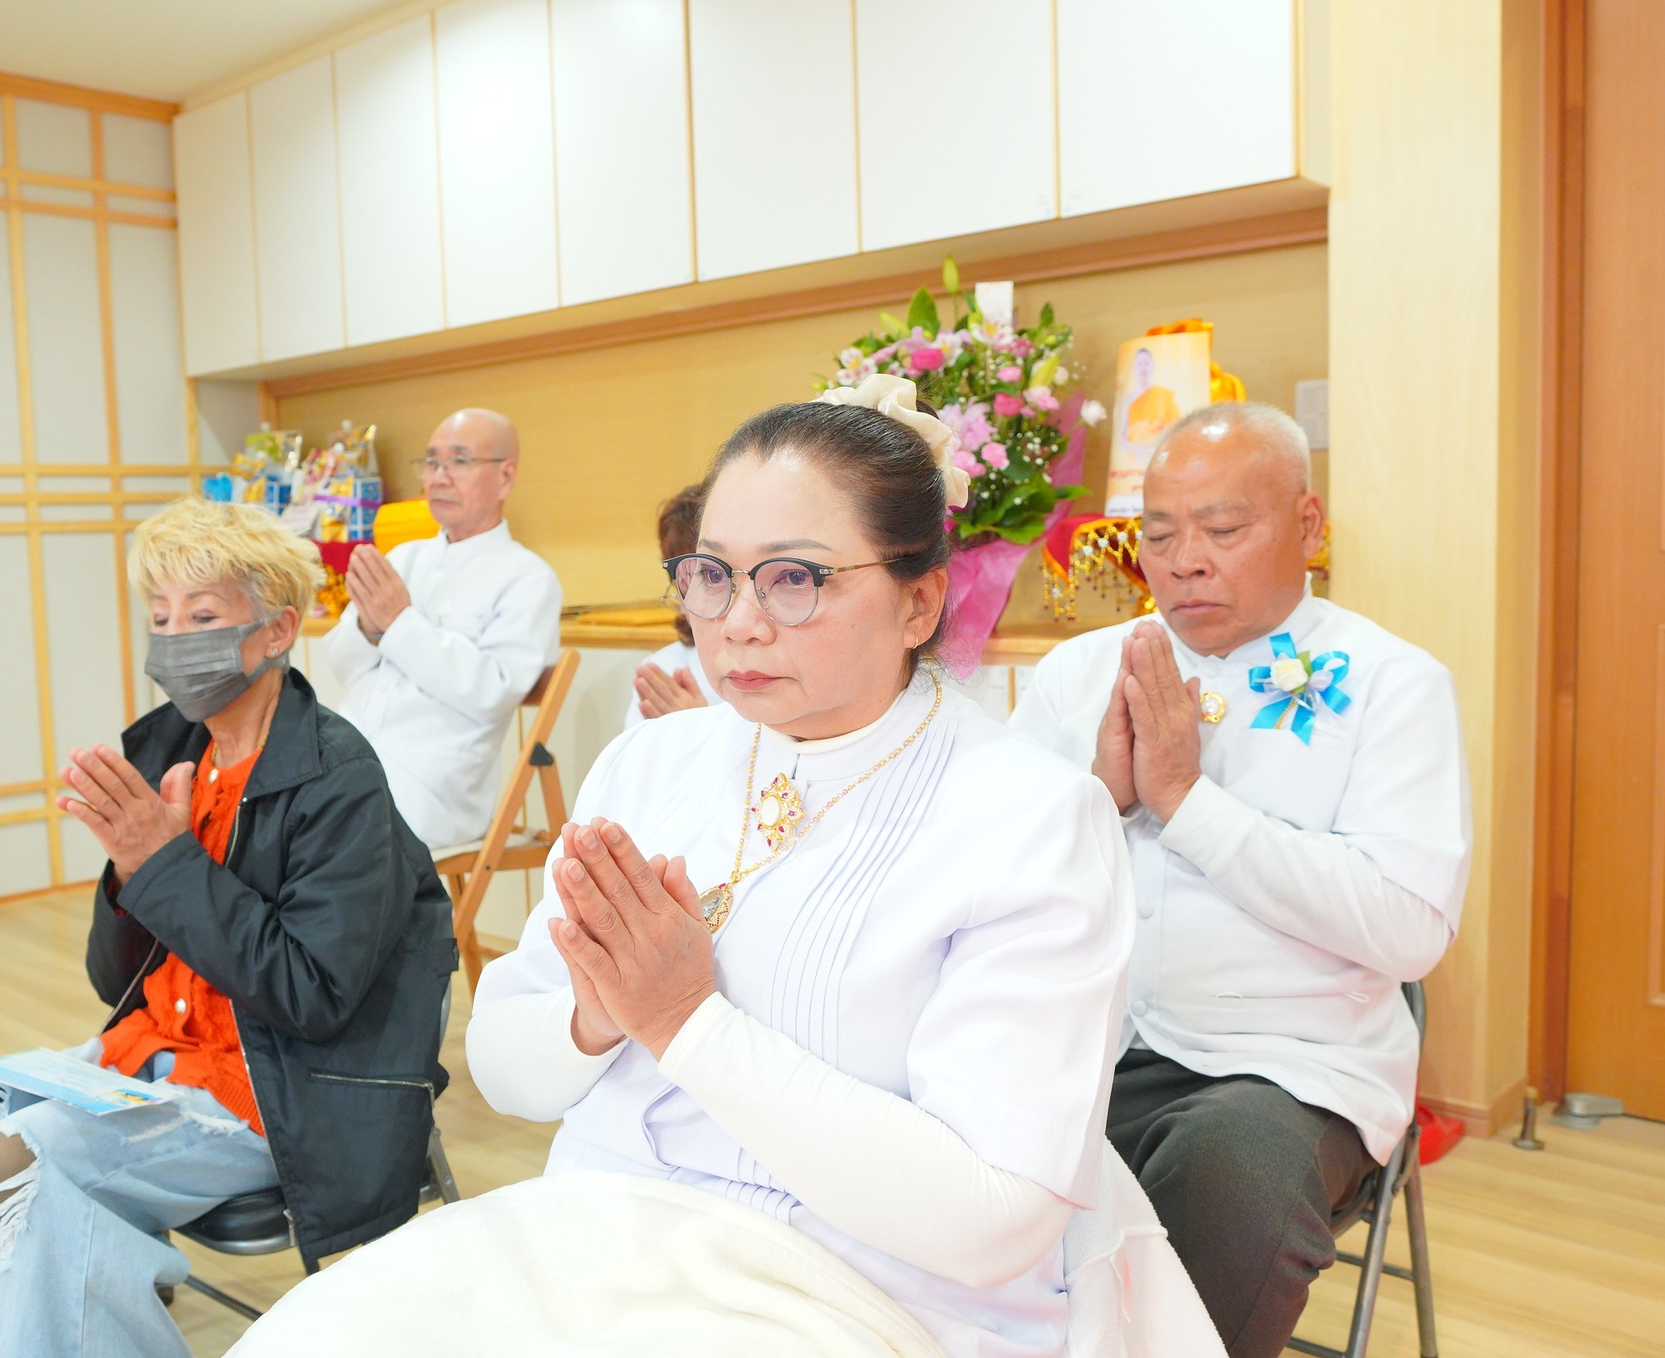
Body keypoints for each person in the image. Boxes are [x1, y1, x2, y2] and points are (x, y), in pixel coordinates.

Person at [231, 374, 1177, 1358]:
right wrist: (598, 1016)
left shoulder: (1026, 815)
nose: (738, 623)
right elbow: (503, 1064)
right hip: (598, 1233)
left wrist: (683, 1023)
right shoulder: (654, 763)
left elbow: (989, 1222)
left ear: (918, 602)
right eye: (712, 574)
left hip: (860, 1285)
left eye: (795, 579)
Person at [0, 496, 455, 1358]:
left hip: (276, 1088)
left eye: (202, 615)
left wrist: (165, 865)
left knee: (27, 1157)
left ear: (277, 630)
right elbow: (110, 977)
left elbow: (313, 996)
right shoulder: (165, 745)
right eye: (160, 616)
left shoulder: (337, 780)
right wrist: (131, 874)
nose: (174, 639)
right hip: (148, 1059)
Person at [1010, 402, 1471, 1357]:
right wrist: (1102, 796)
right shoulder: (1077, 671)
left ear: (1307, 525)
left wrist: (1187, 802)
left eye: (1222, 529)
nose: (1184, 560)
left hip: (1290, 1064)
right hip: (1089, 1038)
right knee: (951, 1140)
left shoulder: (1392, 682)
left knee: (1229, 1177)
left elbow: (1411, 927)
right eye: (1161, 533)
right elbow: (996, 880)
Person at [320, 407, 562, 850]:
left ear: (505, 477)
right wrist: (370, 630)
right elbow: (339, 664)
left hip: (430, 788)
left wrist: (398, 623)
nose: (438, 477)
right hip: (346, 757)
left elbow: (491, 693)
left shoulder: (528, 577)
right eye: (431, 462)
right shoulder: (403, 559)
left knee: (323, 842)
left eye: (459, 461)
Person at [622, 482, 720, 731]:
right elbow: (634, 767)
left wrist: (699, 729)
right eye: (684, 577)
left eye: (713, 575)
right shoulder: (663, 669)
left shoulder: (771, 661)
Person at [1123, 345, 1181, 445]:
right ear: (1134, 368)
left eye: (1146, 363)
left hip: (1158, 452)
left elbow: (1177, 429)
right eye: (1139, 364)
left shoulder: (1164, 395)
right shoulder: (1129, 399)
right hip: (1134, 455)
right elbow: (1123, 436)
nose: (1143, 368)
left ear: (1152, 366)